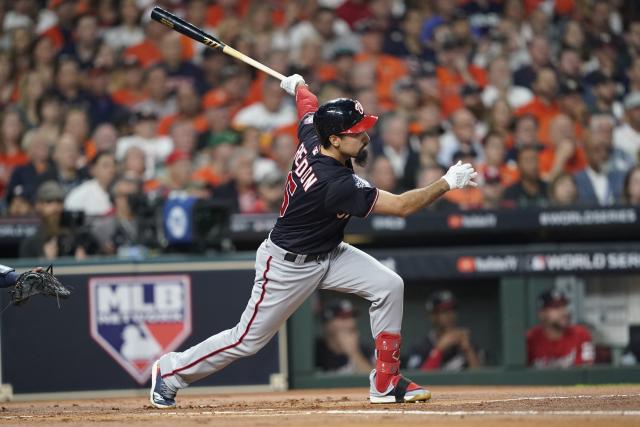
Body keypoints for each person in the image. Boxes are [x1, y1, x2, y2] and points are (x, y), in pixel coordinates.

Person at [149, 73, 478, 408]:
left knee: (389, 286)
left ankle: (385, 381)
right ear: (334, 139)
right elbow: (404, 206)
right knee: (246, 340)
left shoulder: (313, 135)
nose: (363, 135)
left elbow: (308, 110)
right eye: (355, 132)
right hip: (287, 265)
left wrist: (300, 88)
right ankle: (171, 371)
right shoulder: (334, 183)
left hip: (328, 252)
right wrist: (446, 183)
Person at [405, 290, 481, 371]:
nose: (450, 315)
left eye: (452, 310)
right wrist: (438, 350)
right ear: (432, 316)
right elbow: (418, 380)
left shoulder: (468, 345)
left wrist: (468, 350)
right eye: (443, 311)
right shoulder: (420, 348)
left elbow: (481, 380)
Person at [527, 289, 594, 369]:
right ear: (542, 313)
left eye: (564, 306)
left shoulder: (581, 334)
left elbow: (585, 370)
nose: (564, 312)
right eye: (556, 307)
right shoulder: (530, 339)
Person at [315, 299, 373, 374]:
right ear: (328, 324)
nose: (351, 322)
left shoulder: (365, 350)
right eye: (343, 317)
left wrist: (354, 353)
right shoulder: (316, 351)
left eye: (352, 316)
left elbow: (373, 382)